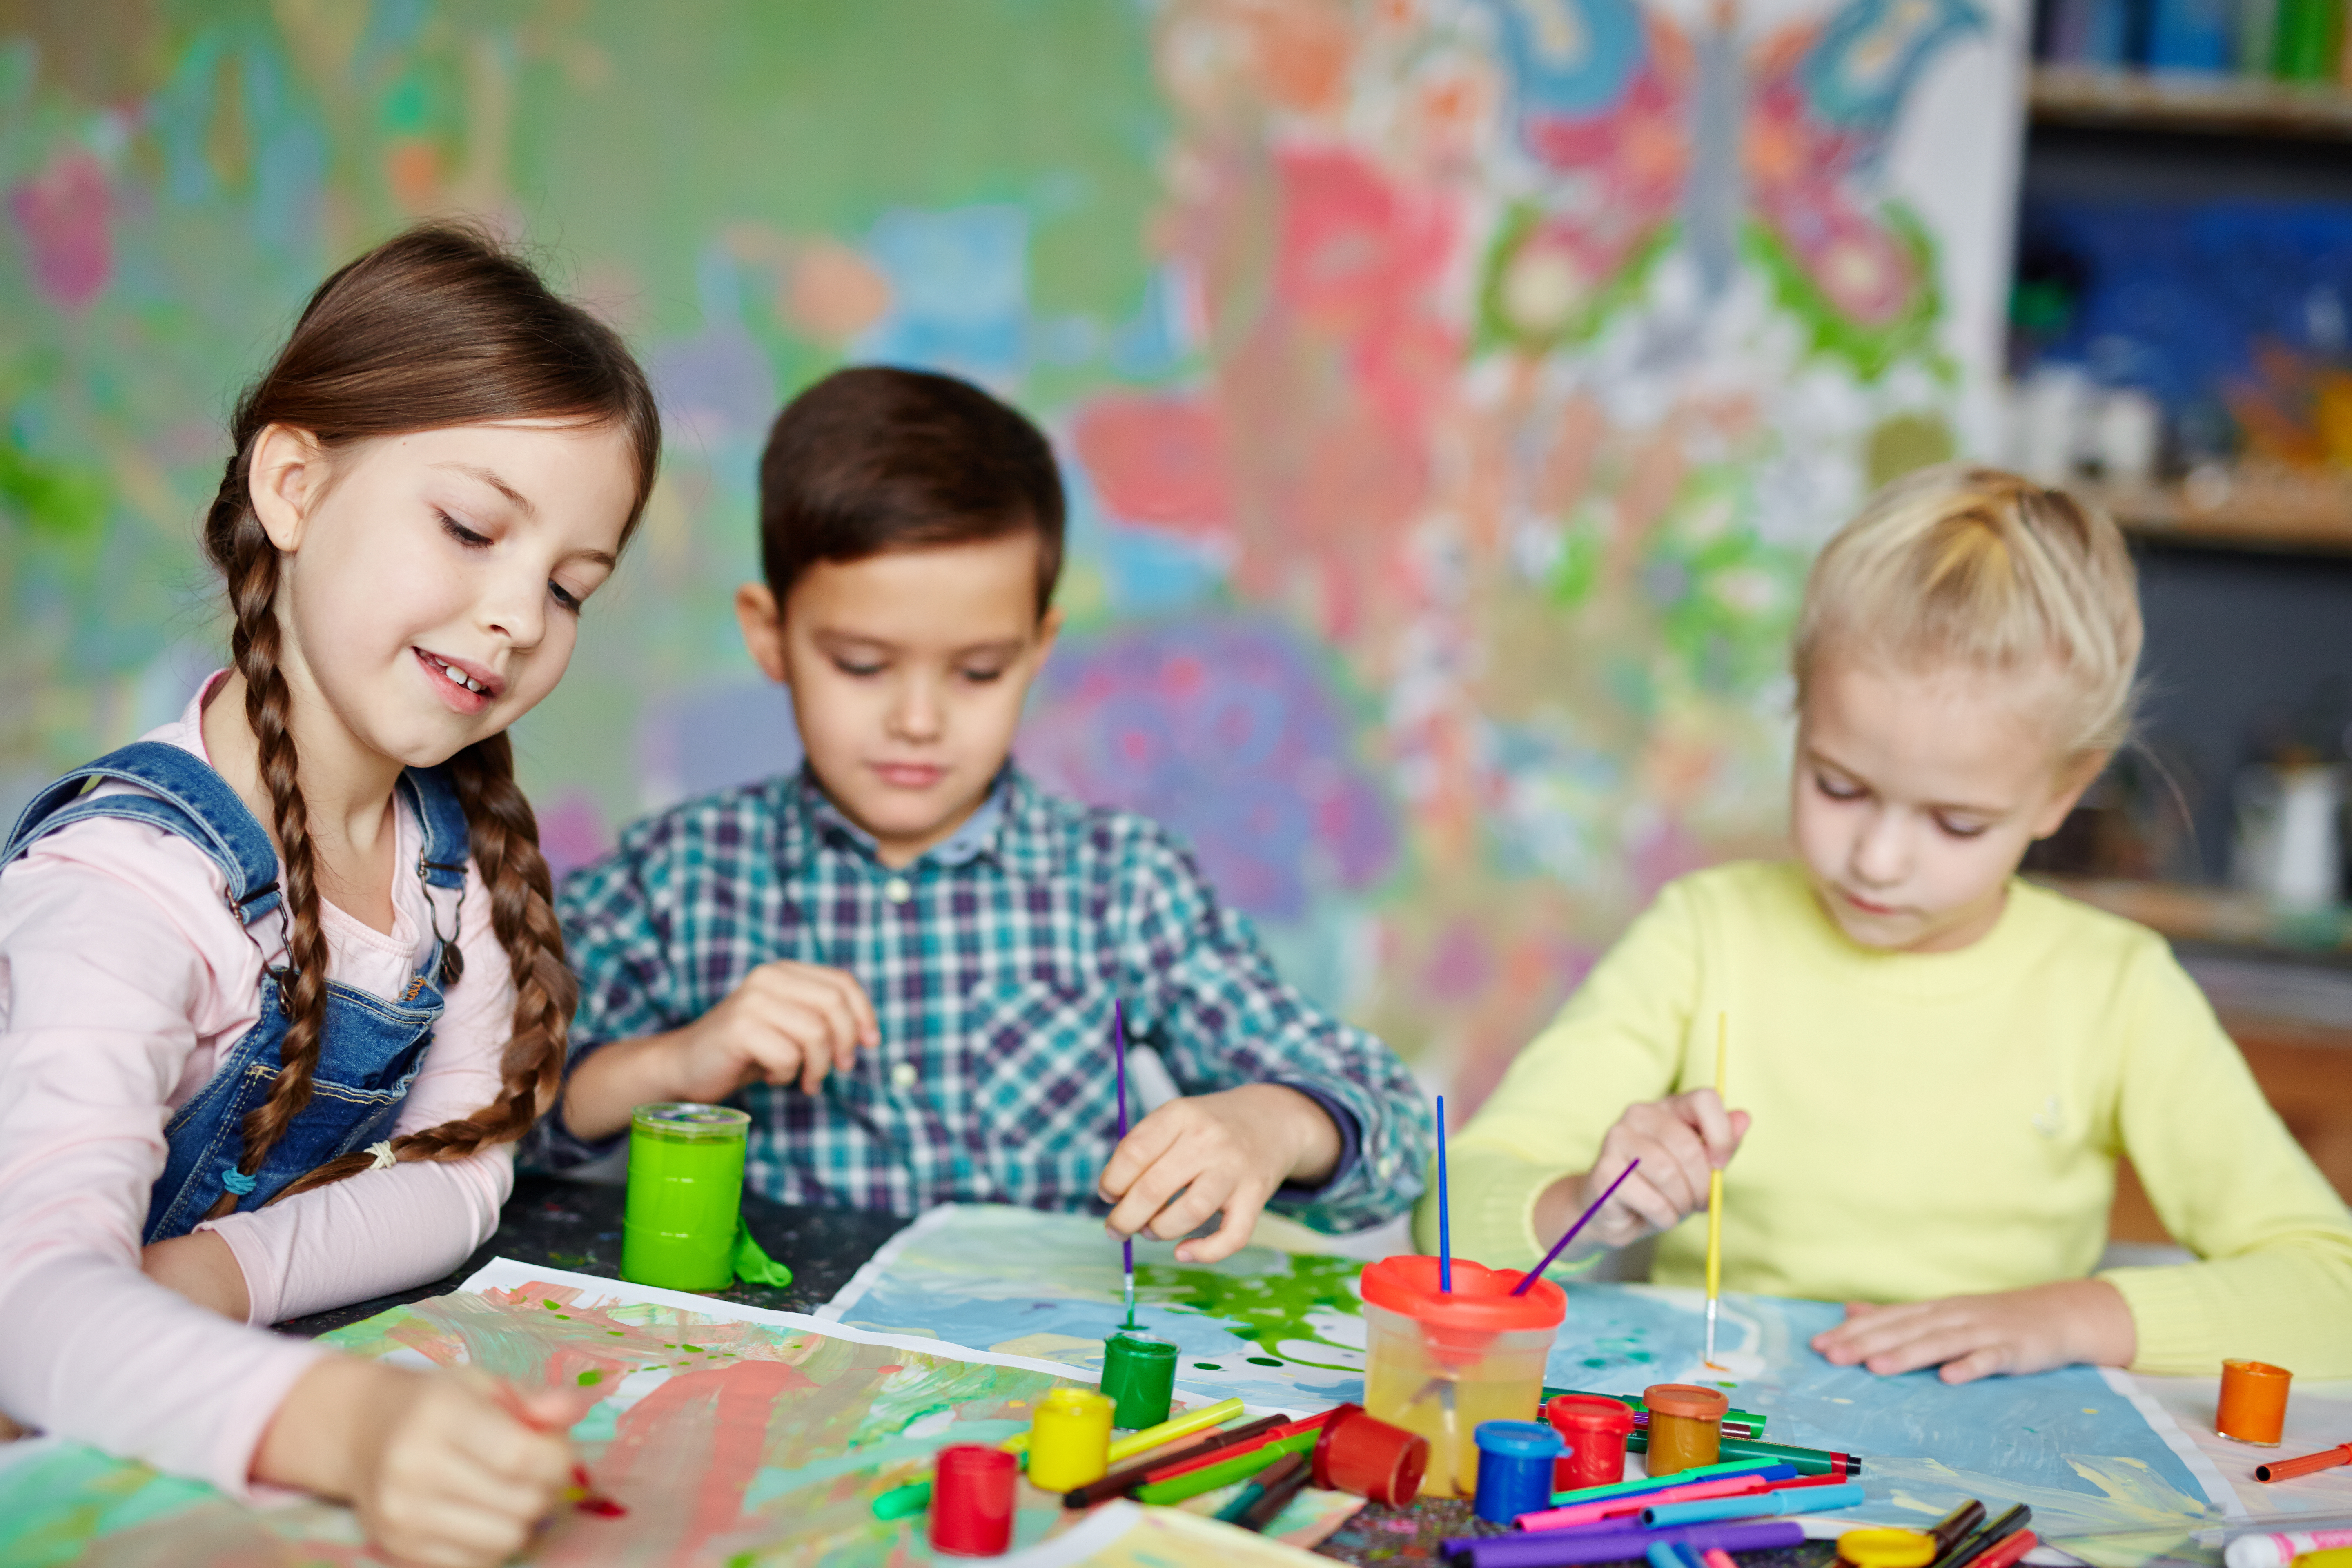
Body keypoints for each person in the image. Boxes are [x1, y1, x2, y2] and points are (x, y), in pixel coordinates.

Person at [0, 225, 660, 1564]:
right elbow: (24, 1312)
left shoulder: (447, 864)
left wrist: (205, 1277)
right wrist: (353, 1427)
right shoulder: (125, 888)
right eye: (472, 528)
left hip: (199, 1422)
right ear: (294, 485)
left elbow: (463, 1178)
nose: (520, 617)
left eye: (569, 587)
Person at [1433, 464, 2352, 1381]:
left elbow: (2331, 1293)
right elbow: (1450, 1214)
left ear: (2064, 790)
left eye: (1956, 823)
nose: (1876, 859)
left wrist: (2071, 1316)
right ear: (1801, 709)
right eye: (1838, 785)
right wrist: (1582, 1201)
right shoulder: (1703, 935)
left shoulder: (2116, 989)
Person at [547, 365, 1430, 1259]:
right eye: (862, 664)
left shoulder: (1120, 885)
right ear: (771, 635)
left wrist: (1272, 1123)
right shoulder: (681, 874)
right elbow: (478, 1115)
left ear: (1039, 648)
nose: (919, 721)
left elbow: (1393, 1128)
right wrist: (677, 1063)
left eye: (977, 672)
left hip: (1044, 1381)